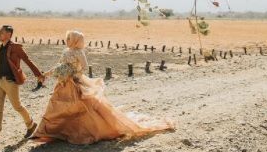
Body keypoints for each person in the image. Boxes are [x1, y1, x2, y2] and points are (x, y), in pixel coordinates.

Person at [32, 30, 174, 145]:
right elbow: (63, 66)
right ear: (75, 41)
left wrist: (70, 71)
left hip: (75, 81)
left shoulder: (74, 52)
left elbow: (81, 68)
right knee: (58, 106)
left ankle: (76, 131)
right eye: (81, 40)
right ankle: (49, 132)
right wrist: (49, 73)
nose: (83, 43)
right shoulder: (69, 52)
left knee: (81, 107)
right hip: (65, 82)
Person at [0, 25, 45, 147]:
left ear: (9, 34)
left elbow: (27, 60)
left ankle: (31, 125)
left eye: (2, 32)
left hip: (11, 82)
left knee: (17, 106)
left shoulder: (16, 47)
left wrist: (38, 74)